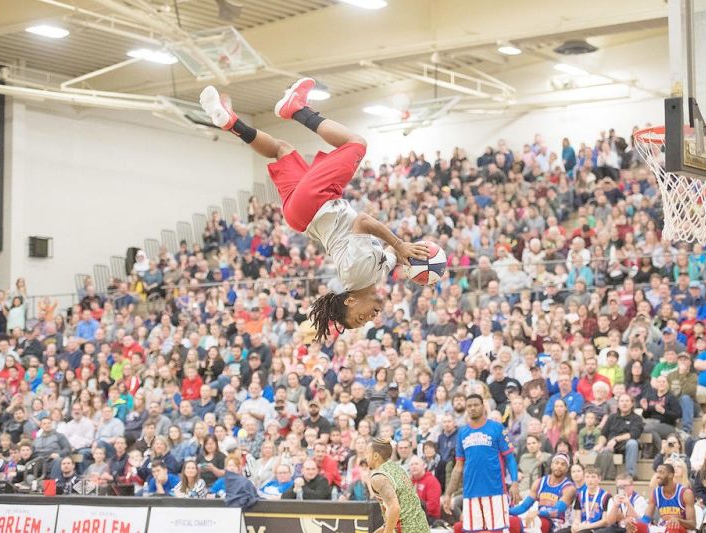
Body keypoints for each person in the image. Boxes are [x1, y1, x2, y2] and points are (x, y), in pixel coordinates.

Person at [199, 80, 429, 340]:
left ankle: (296, 108)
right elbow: (391, 255)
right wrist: (416, 257)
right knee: (281, 149)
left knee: (356, 143)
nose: (372, 317)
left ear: (350, 302)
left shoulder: (358, 274)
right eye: (366, 321)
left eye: (361, 317)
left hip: (317, 203)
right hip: (300, 218)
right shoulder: (375, 275)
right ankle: (229, 122)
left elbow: (364, 221)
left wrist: (399, 245)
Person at [443, 394, 521, 533]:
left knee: (496, 530)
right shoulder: (463, 432)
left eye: (476, 405)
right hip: (471, 491)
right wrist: (448, 494)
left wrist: (514, 482)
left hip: (495, 490)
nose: (472, 408)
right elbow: (458, 467)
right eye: (469, 406)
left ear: (483, 406)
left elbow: (509, 458)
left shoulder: (496, 428)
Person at [365, 438, 429, 533]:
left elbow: (395, 508)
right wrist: (384, 528)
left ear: (375, 456)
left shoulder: (378, 477)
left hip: (406, 529)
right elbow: (405, 502)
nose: (365, 457)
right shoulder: (398, 468)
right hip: (421, 526)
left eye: (367, 453)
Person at [509, 454, 577, 533]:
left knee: (533, 522)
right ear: (551, 465)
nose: (559, 466)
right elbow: (524, 506)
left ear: (567, 468)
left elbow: (557, 510)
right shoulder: (539, 482)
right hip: (539, 518)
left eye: (563, 464)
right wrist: (506, 511)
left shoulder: (569, 488)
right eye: (557, 463)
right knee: (511, 522)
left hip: (558, 523)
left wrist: (537, 512)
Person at [629, 464, 696, 533]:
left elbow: (693, 524)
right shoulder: (655, 493)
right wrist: (635, 523)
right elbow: (646, 519)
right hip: (662, 528)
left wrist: (678, 520)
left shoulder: (685, 493)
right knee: (635, 526)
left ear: (671, 475)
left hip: (681, 529)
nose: (658, 476)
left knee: (672, 527)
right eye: (657, 472)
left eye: (661, 472)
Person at [565, 466, 610, 533]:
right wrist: (575, 525)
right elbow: (577, 517)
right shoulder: (580, 495)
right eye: (587, 477)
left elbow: (605, 521)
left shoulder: (606, 496)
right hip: (582, 526)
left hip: (597, 528)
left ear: (599, 479)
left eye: (593, 477)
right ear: (584, 478)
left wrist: (586, 526)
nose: (590, 480)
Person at [409, 455, 442, 523]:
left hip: (429, 518)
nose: (414, 466)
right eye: (411, 465)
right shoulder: (408, 482)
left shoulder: (432, 481)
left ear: (424, 466)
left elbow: (433, 506)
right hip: (411, 516)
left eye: (416, 464)